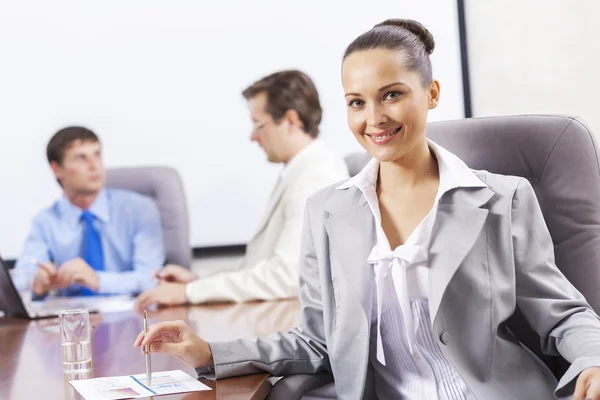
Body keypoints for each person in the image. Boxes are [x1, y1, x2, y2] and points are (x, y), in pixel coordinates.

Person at [134, 20, 600, 400]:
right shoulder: (329, 211)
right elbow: (318, 340)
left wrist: (593, 360)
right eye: (357, 102)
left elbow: (563, 315)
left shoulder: (503, 199)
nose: (373, 118)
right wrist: (208, 350)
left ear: (432, 93)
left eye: (392, 94)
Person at [134, 70, 349, 309]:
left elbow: (288, 276)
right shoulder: (300, 170)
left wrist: (189, 292)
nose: (253, 136)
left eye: (258, 124)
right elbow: (261, 265)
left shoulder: (317, 176)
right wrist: (200, 281)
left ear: (290, 120)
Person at [15, 126, 165, 297]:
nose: (94, 166)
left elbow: (152, 278)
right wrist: (36, 281)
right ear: (57, 169)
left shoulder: (139, 210)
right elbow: (20, 278)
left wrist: (98, 280)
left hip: (132, 316)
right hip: (70, 319)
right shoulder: (45, 221)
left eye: (97, 154)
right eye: (81, 158)